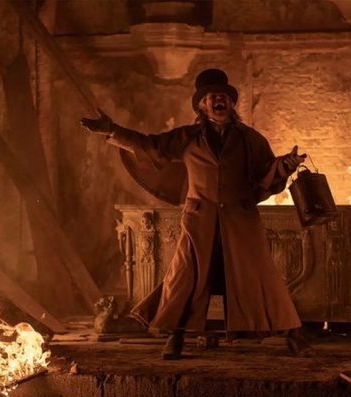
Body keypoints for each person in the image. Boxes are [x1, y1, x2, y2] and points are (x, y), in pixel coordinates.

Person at [81, 68, 313, 359]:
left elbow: (266, 172)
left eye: (223, 96)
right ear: (202, 106)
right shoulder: (187, 137)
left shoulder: (250, 139)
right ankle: (175, 336)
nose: (218, 100)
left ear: (231, 103)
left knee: (262, 277)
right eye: (211, 97)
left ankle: (293, 334)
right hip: (199, 220)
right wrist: (113, 131)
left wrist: (287, 163)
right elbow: (150, 145)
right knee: (184, 277)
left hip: (240, 221)